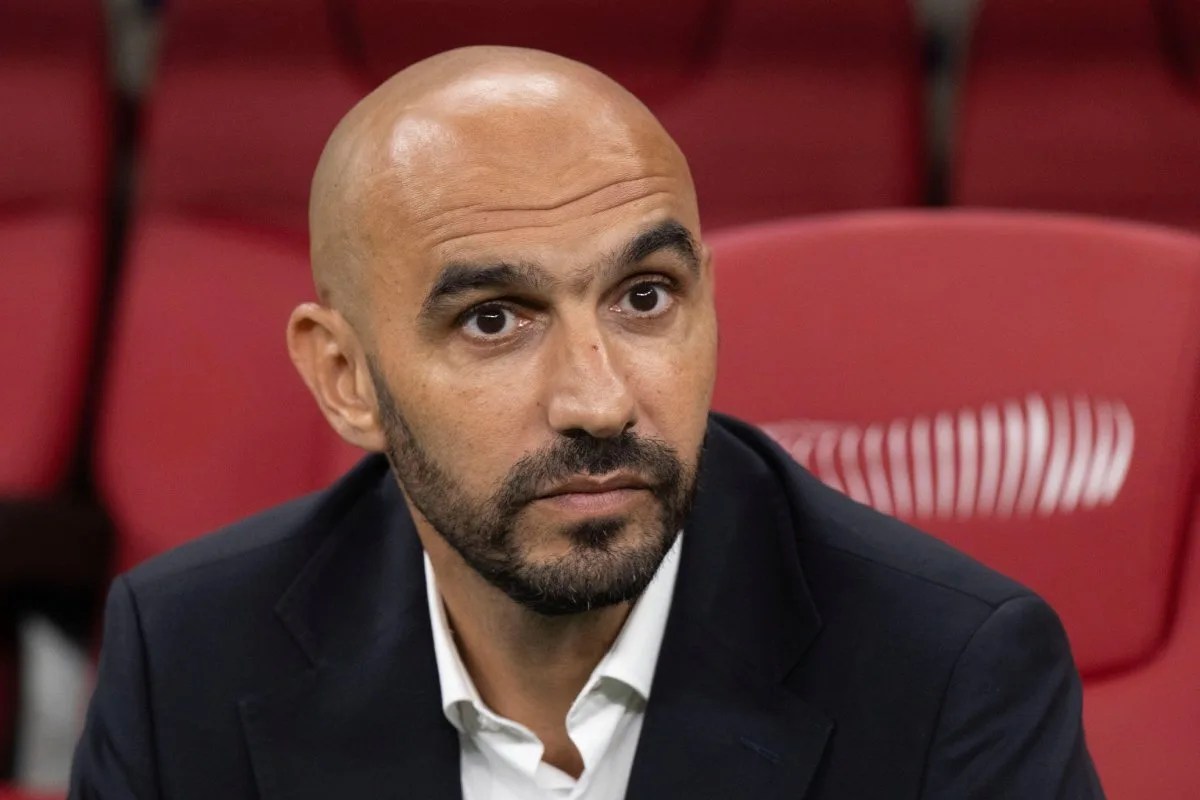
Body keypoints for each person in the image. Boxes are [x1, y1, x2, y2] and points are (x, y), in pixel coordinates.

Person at [69, 46, 1103, 799]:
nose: (599, 401)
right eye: (493, 319)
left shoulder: (949, 673)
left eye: (645, 297)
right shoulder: (190, 657)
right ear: (346, 378)